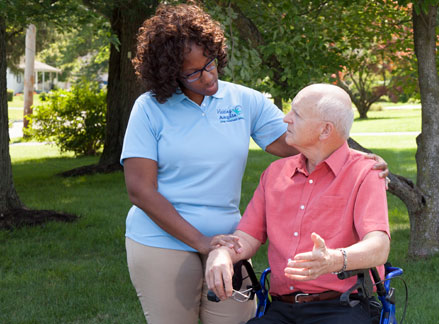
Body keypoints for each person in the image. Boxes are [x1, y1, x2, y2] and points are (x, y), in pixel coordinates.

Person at [121, 4, 387, 324]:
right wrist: (203, 243)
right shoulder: (149, 108)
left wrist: (362, 159)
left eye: (211, 63)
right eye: (194, 72)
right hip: (163, 242)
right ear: (169, 73)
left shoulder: (244, 101)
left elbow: (308, 138)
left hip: (230, 240)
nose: (209, 76)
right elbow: (139, 190)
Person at [205, 83, 390, 324]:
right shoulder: (274, 173)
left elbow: (379, 245)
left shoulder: (365, 173)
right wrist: (222, 253)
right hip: (281, 309)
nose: (286, 119)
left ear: (325, 130)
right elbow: (247, 236)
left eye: (297, 114)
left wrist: (334, 260)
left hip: (342, 306)